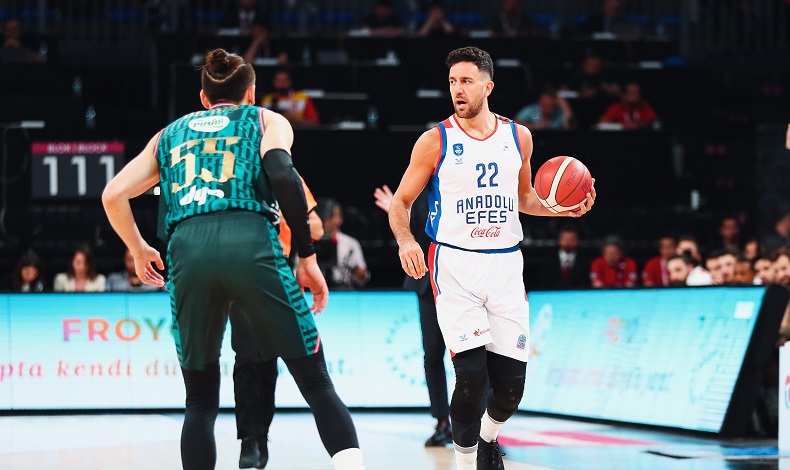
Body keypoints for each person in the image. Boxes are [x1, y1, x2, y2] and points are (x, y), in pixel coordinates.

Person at [101, 49, 364, 470]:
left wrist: (138, 249)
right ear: (252, 92)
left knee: (200, 402)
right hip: (250, 241)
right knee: (315, 381)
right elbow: (283, 176)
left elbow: (113, 194)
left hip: (187, 248)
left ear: (204, 98)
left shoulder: (168, 134)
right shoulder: (264, 120)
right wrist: (307, 258)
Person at [387, 46, 595, 470]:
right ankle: (466, 464)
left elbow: (525, 199)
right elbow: (400, 201)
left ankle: (488, 439)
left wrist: (561, 208)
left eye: (466, 81)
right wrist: (406, 241)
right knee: (470, 379)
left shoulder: (519, 137)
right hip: (455, 265)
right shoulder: (435, 140)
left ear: (488, 86)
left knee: (511, 390)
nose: (457, 89)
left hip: (505, 265)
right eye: (452, 82)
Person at [231, 176, 323, 469]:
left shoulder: (287, 178)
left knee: (268, 360)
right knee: (246, 357)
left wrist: (283, 214)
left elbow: (317, 228)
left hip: (276, 274)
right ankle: (248, 438)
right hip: (240, 270)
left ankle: (262, 434)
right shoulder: (236, 174)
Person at [374, 184, 453, 447]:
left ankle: (483, 425)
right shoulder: (418, 190)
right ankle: (442, 422)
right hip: (428, 283)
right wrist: (397, 213)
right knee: (432, 356)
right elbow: (414, 232)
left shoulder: (459, 181)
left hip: (463, 281)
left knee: (476, 354)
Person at [315, 198, 370, 289]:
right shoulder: (310, 243)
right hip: (316, 289)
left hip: (343, 289)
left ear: (340, 218)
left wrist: (354, 268)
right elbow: (296, 273)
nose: (327, 220)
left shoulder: (350, 244)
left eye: (331, 215)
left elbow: (363, 278)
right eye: (324, 216)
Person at [538, 223, 590, 289]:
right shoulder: (548, 261)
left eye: (571, 239)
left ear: (578, 241)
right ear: (559, 240)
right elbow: (542, 285)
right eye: (565, 239)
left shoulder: (585, 262)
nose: (567, 242)